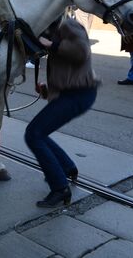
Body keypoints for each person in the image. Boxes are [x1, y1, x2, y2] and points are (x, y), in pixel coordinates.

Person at [25, 16, 100, 208]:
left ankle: (60, 188)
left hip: (79, 94)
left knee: (34, 134)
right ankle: (66, 167)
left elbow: (81, 52)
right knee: (39, 133)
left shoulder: (69, 25)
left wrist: (49, 43)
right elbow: (68, 69)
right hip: (73, 93)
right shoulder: (56, 29)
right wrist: (48, 90)